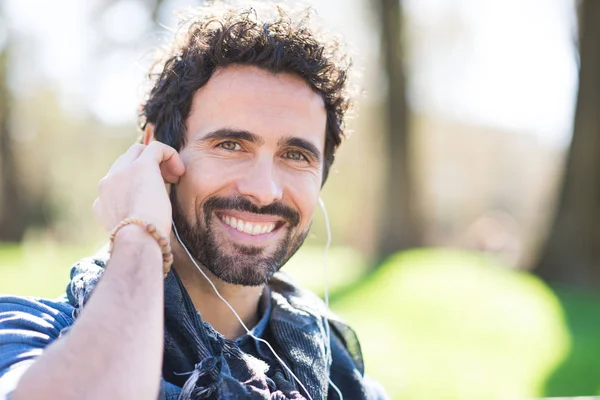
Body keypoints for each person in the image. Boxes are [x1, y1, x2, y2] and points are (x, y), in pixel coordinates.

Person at [0, 2, 387, 399]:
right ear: (157, 152)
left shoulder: (344, 382)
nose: (265, 189)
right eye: (231, 145)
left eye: (295, 155)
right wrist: (138, 236)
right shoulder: (27, 335)